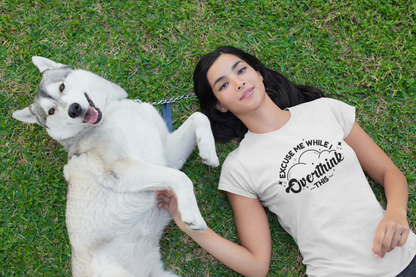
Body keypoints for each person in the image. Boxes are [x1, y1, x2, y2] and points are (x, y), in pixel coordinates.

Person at [156, 46, 416, 276]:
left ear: (258, 73)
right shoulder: (239, 167)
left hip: (407, 255)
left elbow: (387, 171)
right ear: (220, 106)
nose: (238, 83)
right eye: (223, 85)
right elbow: (257, 266)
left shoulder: (325, 110)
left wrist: (395, 213)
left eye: (241, 70)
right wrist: (189, 224)